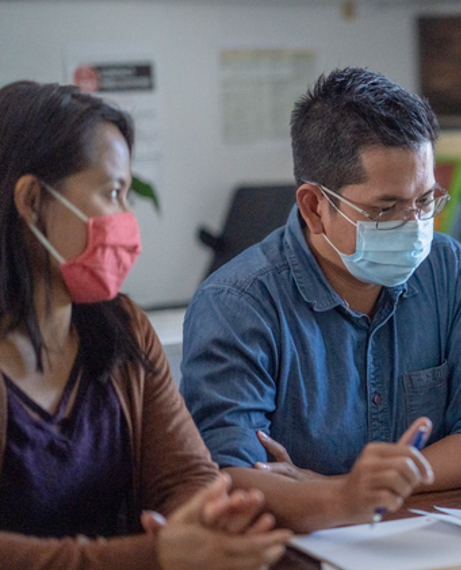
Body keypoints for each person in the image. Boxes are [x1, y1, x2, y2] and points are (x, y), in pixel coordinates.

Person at [180, 67, 461, 532]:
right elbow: (232, 480)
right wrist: (345, 496)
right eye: (384, 209)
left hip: (434, 543)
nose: (413, 226)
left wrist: (338, 487)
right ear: (314, 207)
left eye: (425, 202)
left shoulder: (446, 269)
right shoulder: (238, 304)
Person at [0, 81, 292, 569]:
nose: (125, 218)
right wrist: (152, 555)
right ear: (31, 201)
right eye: (112, 192)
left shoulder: (123, 326)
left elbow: (184, 476)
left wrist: (208, 518)